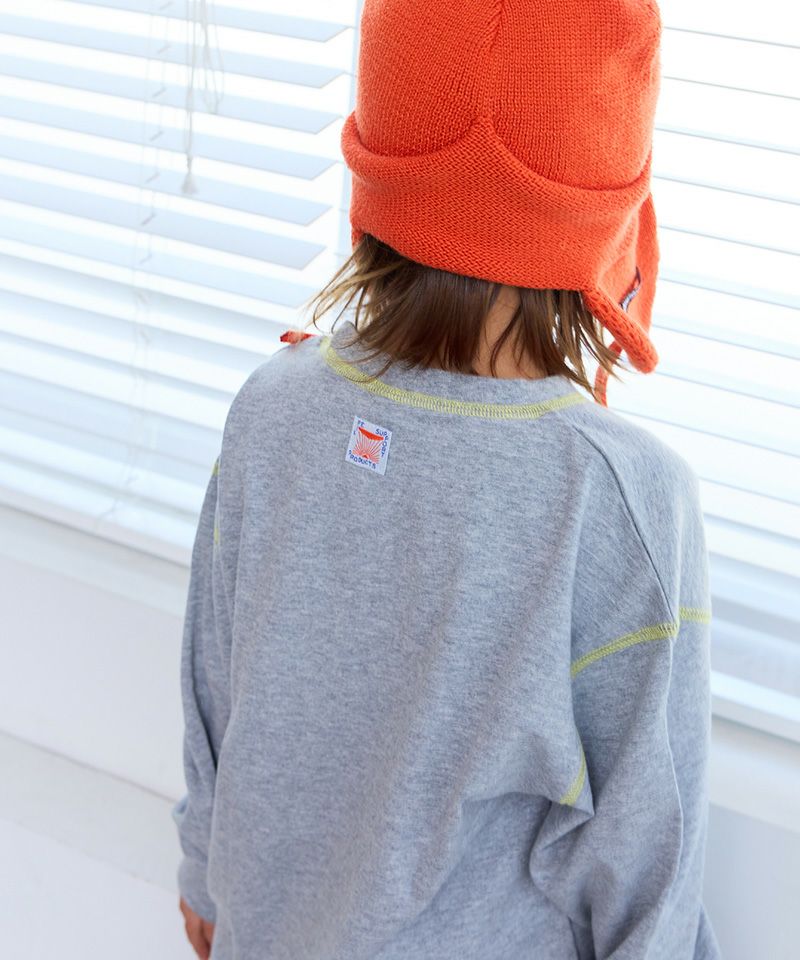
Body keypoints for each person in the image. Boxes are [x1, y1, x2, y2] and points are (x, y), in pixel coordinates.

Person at [171, 1, 722, 958]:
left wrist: (199, 877)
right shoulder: (621, 502)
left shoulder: (273, 409)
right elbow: (648, 873)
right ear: (609, 206)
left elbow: (214, 703)